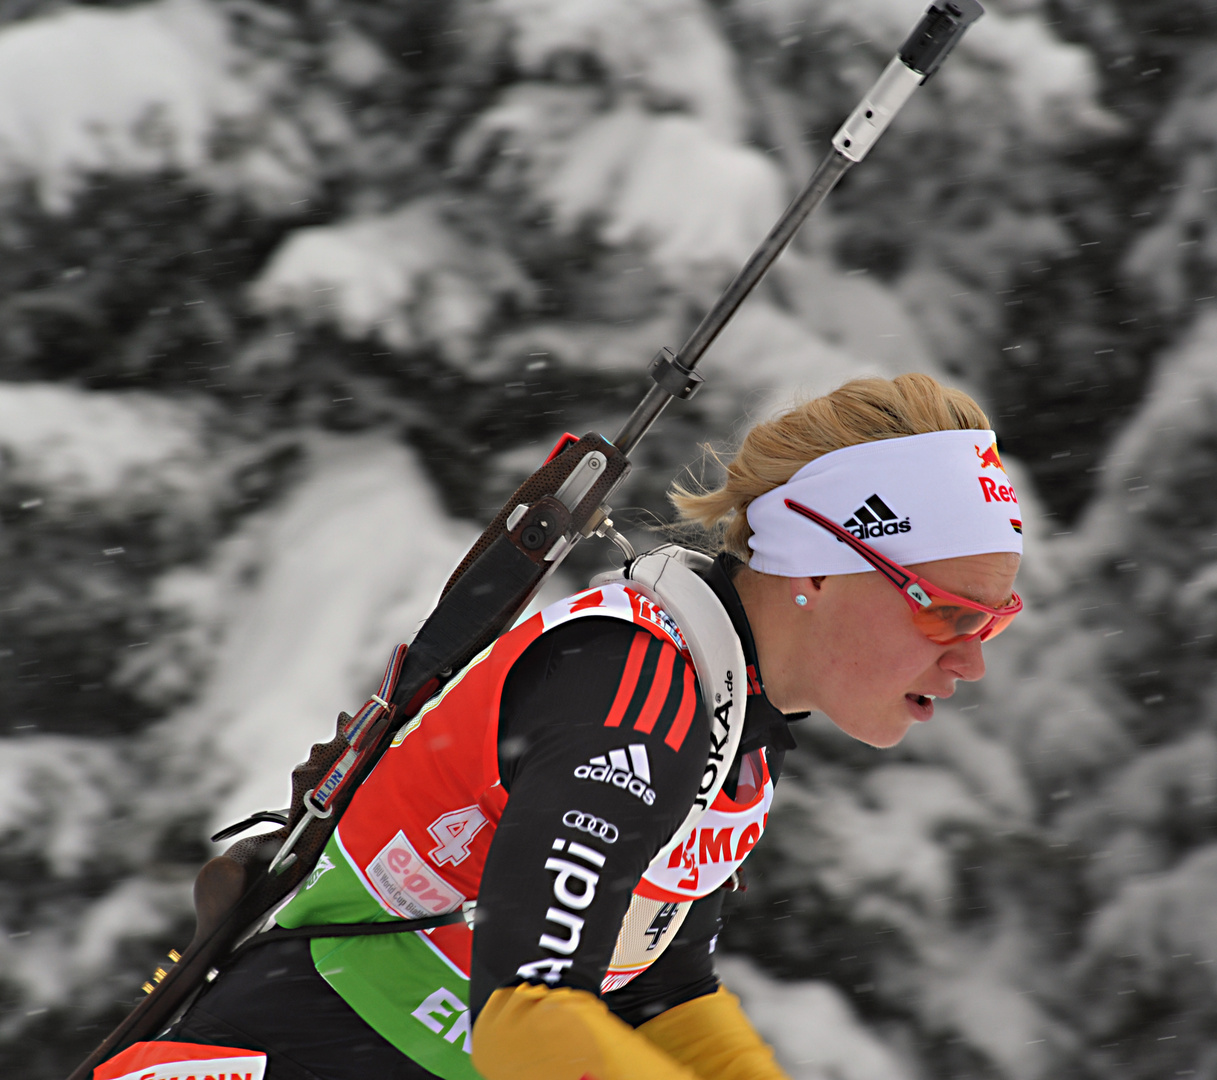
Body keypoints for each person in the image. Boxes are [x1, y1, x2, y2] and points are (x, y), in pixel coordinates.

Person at [149, 372, 1023, 1079]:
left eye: (994, 621)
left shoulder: (732, 719)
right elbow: (527, 1015)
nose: (971, 659)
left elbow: (659, 991)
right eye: (947, 613)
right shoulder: (631, 689)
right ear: (823, 568)